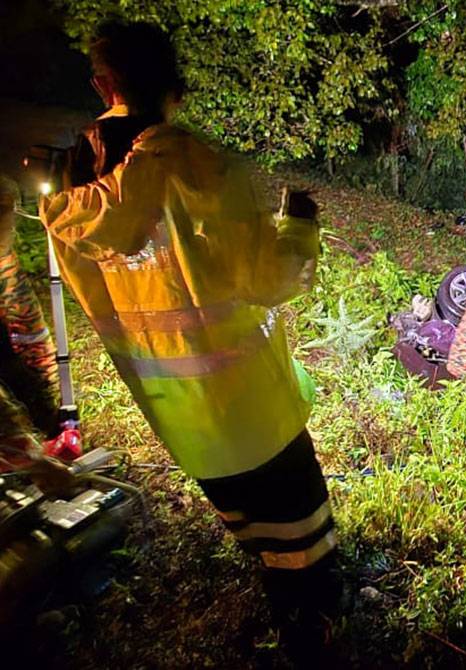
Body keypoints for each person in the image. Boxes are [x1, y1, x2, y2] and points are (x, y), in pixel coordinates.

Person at [38, 20, 336, 650]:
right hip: (252, 400)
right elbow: (266, 279)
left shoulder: (72, 189)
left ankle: (285, 604)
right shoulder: (204, 167)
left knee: (246, 515)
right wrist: (300, 227)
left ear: (104, 85)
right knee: (298, 522)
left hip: (178, 411)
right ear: (174, 86)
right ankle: (313, 627)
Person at [1, 177, 62, 464]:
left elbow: (28, 325)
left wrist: (50, 400)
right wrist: (27, 455)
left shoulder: (3, 261)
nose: (11, 232)